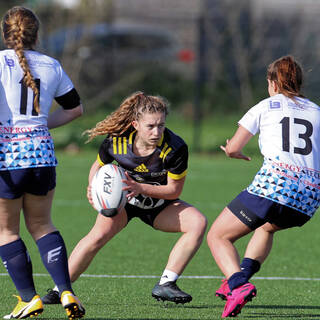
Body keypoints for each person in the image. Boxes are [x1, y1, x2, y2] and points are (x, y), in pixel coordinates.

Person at [42, 91, 207, 305]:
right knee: (97, 237)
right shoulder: (116, 141)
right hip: (124, 203)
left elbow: (174, 191)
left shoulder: (175, 148)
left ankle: (166, 283)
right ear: (136, 124)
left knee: (198, 222)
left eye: (161, 125)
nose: (157, 131)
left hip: (159, 205)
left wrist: (140, 187)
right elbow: (98, 166)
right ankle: (60, 289)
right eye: (150, 126)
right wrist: (93, 187)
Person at [207, 55, 320, 318]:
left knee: (218, 236)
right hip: (309, 196)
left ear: (273, 84)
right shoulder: (317, 111)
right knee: (267, 227)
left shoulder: (266, 106)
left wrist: (233, 152)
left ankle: (237, 285)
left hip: (274, 187)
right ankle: (240, 276)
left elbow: (234, 146)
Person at [0, 6, 85, 320]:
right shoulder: (52, 65)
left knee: (7, 232)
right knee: (42, 225)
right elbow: (75, 109)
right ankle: (65, 291)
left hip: (7, 156)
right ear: (37, 34)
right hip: (41, 154)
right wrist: (37, 126)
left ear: (6, 32)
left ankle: (28, 299)